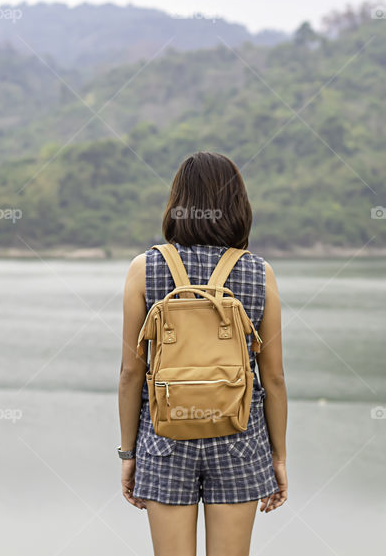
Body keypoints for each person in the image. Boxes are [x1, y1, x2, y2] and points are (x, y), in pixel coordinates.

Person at [117, 151, 288, 556]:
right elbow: (274, 378)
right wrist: (277, 456)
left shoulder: (144, 268)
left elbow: (129, 373)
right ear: (238, 205)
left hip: (163, 436)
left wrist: (128, 453)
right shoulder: (259, 273)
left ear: (176, 203)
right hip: (240, 436)